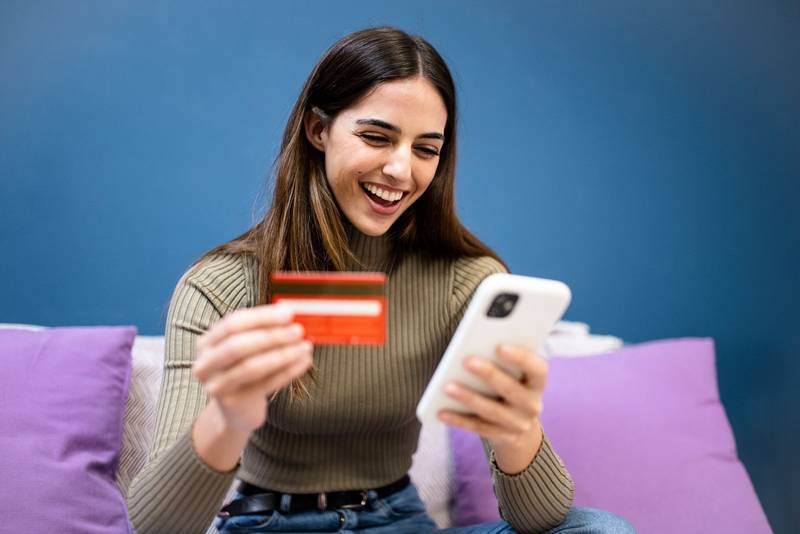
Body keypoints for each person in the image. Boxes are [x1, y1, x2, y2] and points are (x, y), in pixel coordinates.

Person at [126, 27, 636, 534]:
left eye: (426, 149)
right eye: (376, 137)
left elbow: (541, 520)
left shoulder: (469, 282)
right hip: (270, 523)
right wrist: (228, 418)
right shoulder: (220, 286)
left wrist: (518, 430)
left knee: (600, 531)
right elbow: (153, 528)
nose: (400, 170)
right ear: (317, 130)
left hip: (398, 520)